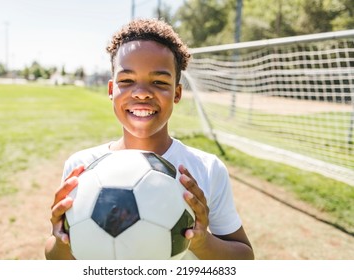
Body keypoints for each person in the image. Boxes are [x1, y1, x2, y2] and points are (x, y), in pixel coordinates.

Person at [45, 18, 254, 260]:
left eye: (158, 82)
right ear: (111, 90)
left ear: (177, 93)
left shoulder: (206, 169)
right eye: (127, 81)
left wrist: (201, 241)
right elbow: (56, 257)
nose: (142, 92)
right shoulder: (81, 168)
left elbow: (244, 258)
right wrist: (60, 239)